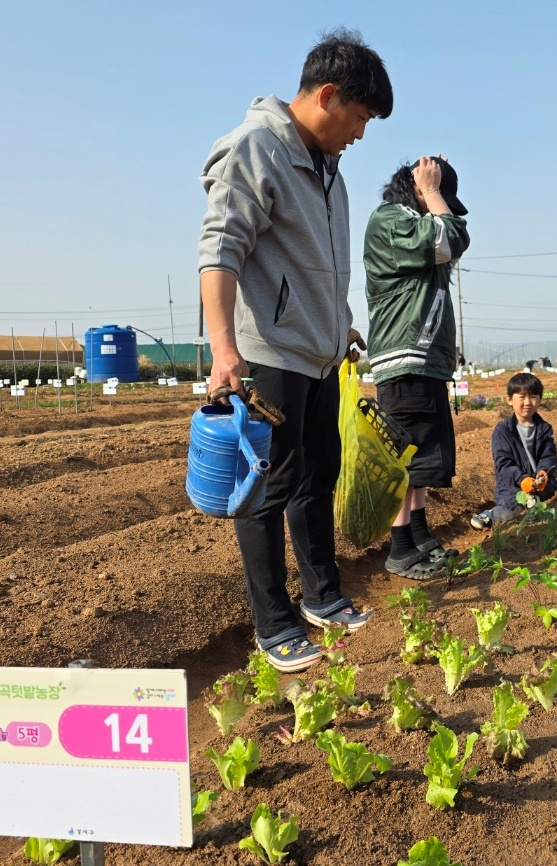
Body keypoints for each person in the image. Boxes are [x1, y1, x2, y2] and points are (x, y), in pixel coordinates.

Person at [198, 29, 393, 672]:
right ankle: (272, 623)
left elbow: (321, 263)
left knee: (319, 475)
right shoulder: (258, 149)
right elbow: (220, 249)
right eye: (360, 117)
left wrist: (340, 323)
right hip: (267, 355)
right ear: (328, 96)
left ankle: (322, 596)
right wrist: (224, 351)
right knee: (266, 489)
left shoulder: (329, 169)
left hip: (318, 354)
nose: (361, 133)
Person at [364, 155, 470, 580]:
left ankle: (420, 538)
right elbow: (452, 237)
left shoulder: (412, 222)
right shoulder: (392, 220)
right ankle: (401, 549)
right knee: (405, 460)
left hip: (422, 361)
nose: (441, 206)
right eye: (438, 197)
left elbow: (448, 239)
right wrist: (430, 188)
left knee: (423, 459)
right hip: (405, 358)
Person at [470, 372, 557, 529]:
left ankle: (533, 501)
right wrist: (522, 480)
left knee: (541, 508)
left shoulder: (544, 428)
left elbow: (548, 456)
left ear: (540, 399)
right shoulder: (502, 431)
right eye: (522, 397)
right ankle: (490, 515)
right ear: (509, 400)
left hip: (540, 486)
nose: (528, 402)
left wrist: (542, 474)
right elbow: (504, 463)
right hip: (512, 486)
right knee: (511, 512)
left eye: (533, 396)